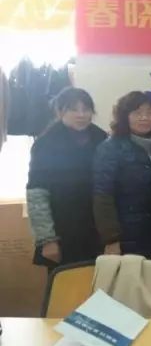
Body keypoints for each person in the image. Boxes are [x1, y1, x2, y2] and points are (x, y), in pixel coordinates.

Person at [26, 87, 107, 271]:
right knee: (66, 284)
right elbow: (37, 193)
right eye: (73, 109)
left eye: (86, 109)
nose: (81, 115)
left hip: (97, 229)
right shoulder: (45, 143)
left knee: (101, 283)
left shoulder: (101, 138)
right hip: (62, 229)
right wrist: (47, 239)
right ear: (60, 111)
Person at [93, 91, 151, 261]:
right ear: (124, 116)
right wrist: (111, 238)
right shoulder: (110, 148)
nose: (144, 118)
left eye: (149, 113)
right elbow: (103, 196)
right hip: (126, 233)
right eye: (137, 113)